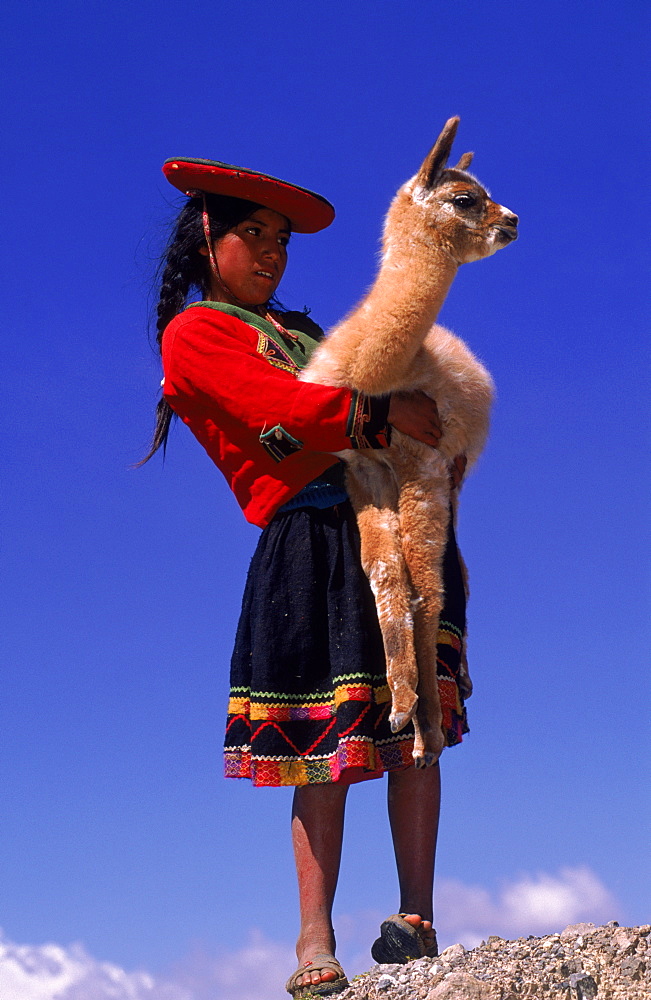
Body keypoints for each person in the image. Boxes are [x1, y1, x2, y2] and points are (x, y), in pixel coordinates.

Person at [143, 157, 470, 998]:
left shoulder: (306, 329)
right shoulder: (199, 335)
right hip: (311, 535)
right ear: (207, 236)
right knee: (328, 742)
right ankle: (313, 940)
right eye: (252, 234)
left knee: (415, 721)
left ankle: (415, 917)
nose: (272, 252)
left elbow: (381, 372)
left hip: (393, 521)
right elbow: (273, 407)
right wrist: (377, 413)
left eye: (280, 239)